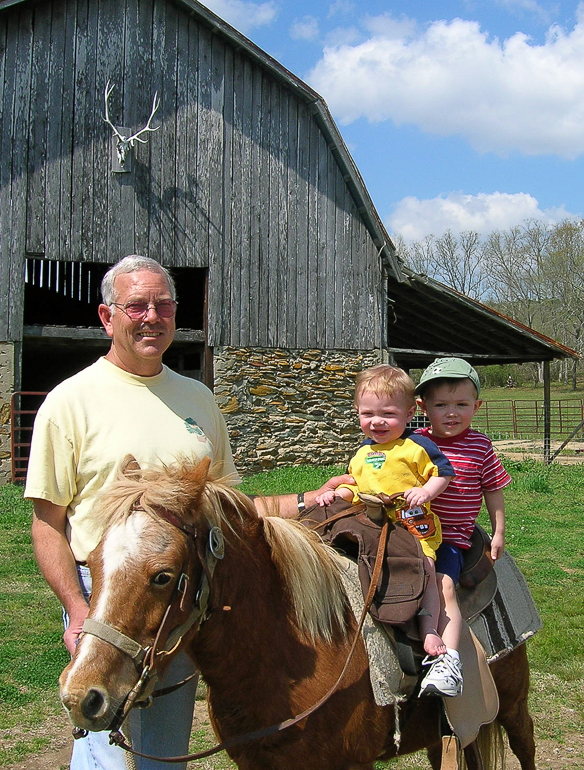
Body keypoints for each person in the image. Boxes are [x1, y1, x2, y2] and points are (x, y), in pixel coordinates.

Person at [25, 255, 347, 770]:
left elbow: (232, 509)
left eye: (163, 305)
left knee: (162, 747)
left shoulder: (196, 398)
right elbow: (48, 523)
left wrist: (312, 499)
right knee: (101, 728)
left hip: (181, 592)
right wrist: (80, 612)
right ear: (108, 317)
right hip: (105, 594)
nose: (151, 316)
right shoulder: (71, 402)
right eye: (136, 305)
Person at [316, 364, 456, 676]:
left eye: (388, 414)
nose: (377, 422)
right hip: (374, 525)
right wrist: (334, 494)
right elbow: (356, 486)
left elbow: (443, 473)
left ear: (408, 414)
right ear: (358, 413)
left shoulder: (416, 446)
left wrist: (426, 491)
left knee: (427, 568)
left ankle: (429, 625)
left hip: (413, 523)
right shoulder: (362, 454)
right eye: (368, 414)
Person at [414, 357, 511, 698]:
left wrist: (498, 532)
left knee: (443, 587)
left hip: (450, 537)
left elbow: (493, 490)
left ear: (477, 406)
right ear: (423, 407)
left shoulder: (481, 446)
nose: (451, 413)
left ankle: (450, 660)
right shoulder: (412, 443)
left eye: (461, 404)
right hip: (410, 533)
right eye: (441, 405)